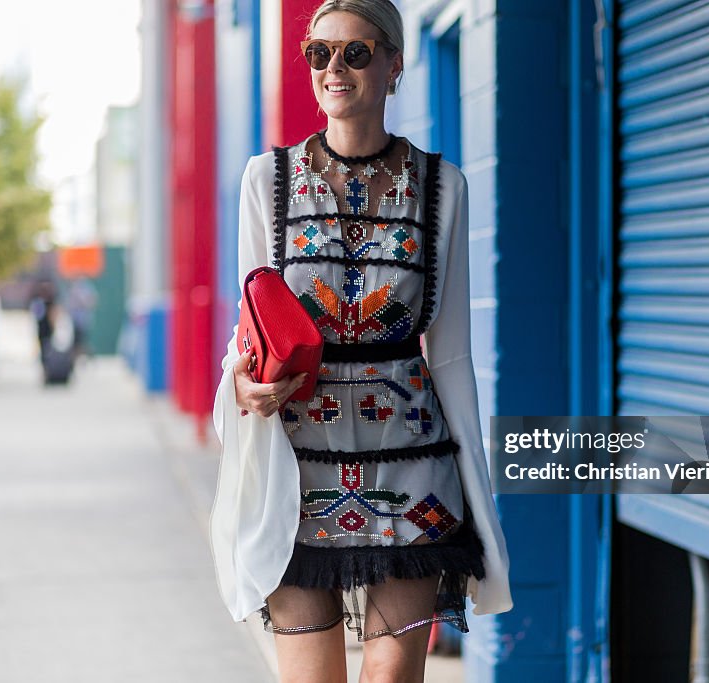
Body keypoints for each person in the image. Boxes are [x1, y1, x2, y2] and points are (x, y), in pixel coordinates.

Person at [209, 2, 512, 681]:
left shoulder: (443, 189)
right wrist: (240, 385)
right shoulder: (267, 182)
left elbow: (454, 358)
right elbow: (249, 332)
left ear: (395, 62)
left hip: (412, 470)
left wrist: (481, 506)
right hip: (298, 472)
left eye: (356, 52)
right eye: (319, 53)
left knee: (389, 677)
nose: (334, 69)